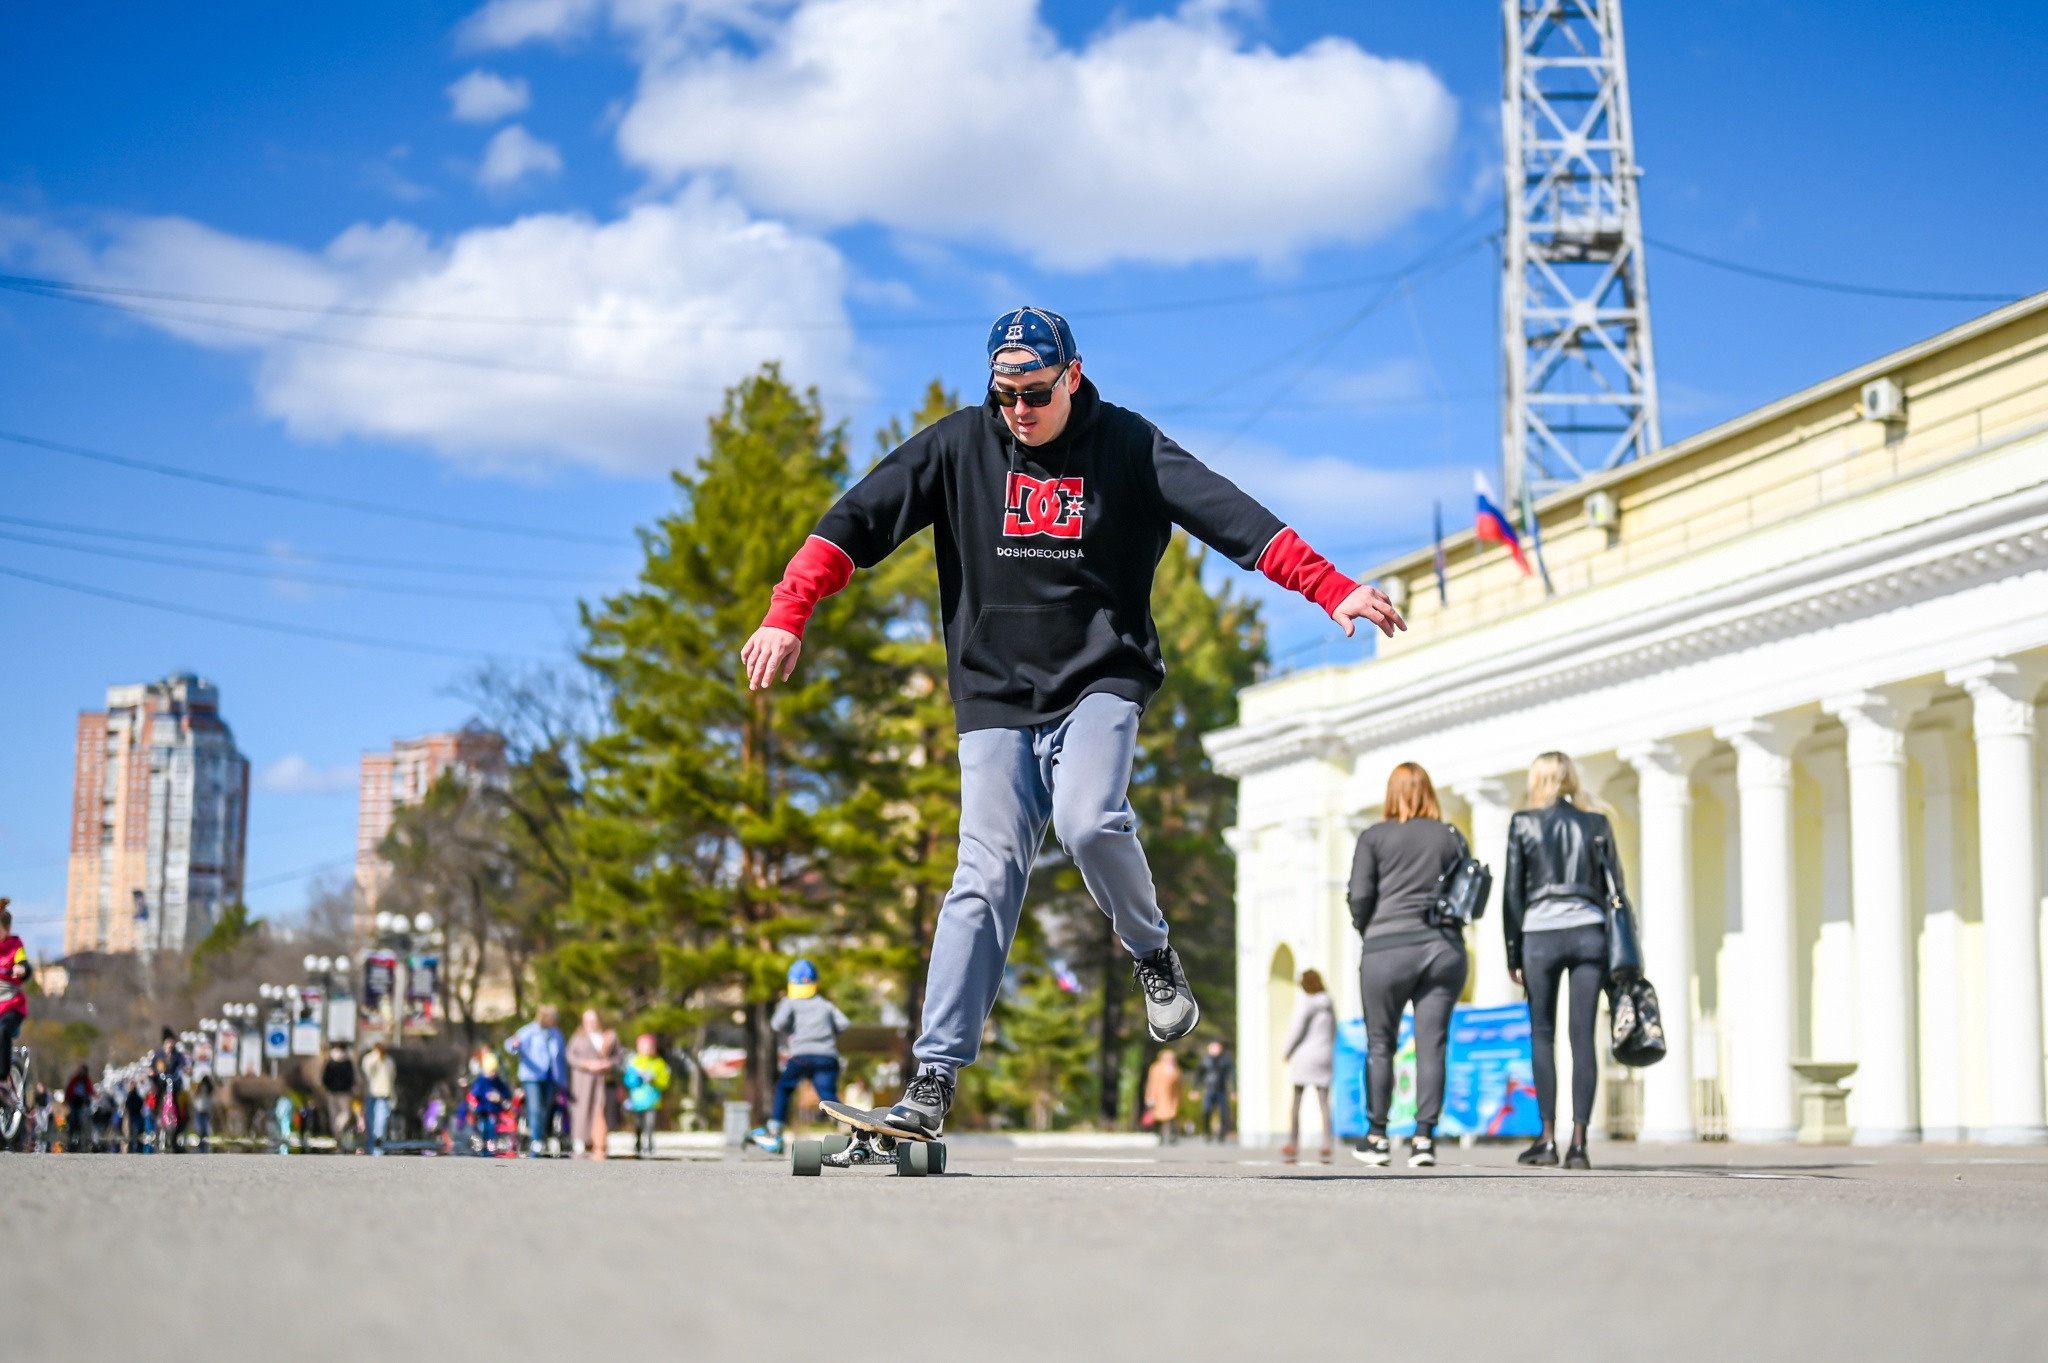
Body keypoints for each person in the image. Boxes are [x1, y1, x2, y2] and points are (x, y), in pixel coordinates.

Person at [742, 308, 1406, 1138]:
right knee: (981, 876)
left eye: (1035, 393)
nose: (1018, 411)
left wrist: (1331, 586)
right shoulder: (956, 446)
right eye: (1004, 394)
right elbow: (852, 521)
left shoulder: (1127, 445)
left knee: (1090, 820)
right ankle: (934, 1075)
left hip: (1099, 677)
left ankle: (1151, 950)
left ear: (1074, 376)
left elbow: (1234, 518)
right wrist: (787, 611)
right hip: (992, 695)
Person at [1504, 751, 1623, 1171]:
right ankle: (1579, 1144)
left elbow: (1513, 894)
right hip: (1590, 934)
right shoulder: (1596, 823)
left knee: (1542, 1035)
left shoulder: (1524, 823)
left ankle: (1547, 1138)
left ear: (1538, 780)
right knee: (1582, 1037)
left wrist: (1512, 952)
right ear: (1571, 778)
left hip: (1540, 937)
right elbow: (1618, 889)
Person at [1348, 761, 1469, 1168]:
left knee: (1381, 1044)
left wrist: (1369, 929)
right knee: (1432, 1044)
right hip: (1443, 949)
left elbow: (1360, 895)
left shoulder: (1373, 836)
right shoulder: (1451, 836)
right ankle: (1423, 1140)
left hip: (1387, 948)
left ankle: (1377, 1137)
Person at [752, 960, 850, 1154]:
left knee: (784, 1087)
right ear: (816, 983)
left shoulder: (790, 1001)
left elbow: (776, 1024)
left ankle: (775, 1128)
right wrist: (828, 1033)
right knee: (826, 1093)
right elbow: (844, 1023)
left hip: (801, 1056)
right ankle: (846, 1124)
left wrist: (792, 1030)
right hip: (826, 1057)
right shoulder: (825, 1004)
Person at [1280, 970, 1336, 1164]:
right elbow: (1334, 1030)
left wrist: (1286, 1051)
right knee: (1324, 1101)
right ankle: (1327, 1143)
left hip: (1305, 1055)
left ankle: (1293, 1142)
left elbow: (1297, 1029)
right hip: (1324, 1054)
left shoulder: (1306, 1003)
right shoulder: (1328, 1003)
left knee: (1297, 1101)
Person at [505, 1005, 567, 1156]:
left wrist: (563, 1081)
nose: (556, 1021)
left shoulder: (556, 1034)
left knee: (546, 1109)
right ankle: (536, 1140)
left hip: (550, 1077)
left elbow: (560, 1059)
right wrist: (514, 1045)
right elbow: (510, 1044)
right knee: (535, 1108)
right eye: (554, 1018)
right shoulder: (529, 1031)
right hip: (532, 1077)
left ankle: (541, 1136)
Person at [566, 1009, 621, 1159]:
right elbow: (571, 1056)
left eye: (593, 1020)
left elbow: (618, 1057)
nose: (590, 1024)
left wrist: (607, 1064)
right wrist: (587, 1064)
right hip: (584, 1081)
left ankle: (600, 1143)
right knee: (583, 1109)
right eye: (587, 1021)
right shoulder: (579, 1037)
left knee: (601, 1109)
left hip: (603, 1081)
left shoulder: (608, 1036)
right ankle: (582, 1140)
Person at [621, 1034, 671, 1158]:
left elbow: (664, 1081)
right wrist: (637, 1078)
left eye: (649, 1047)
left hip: (652, 1100)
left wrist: (653, 1080)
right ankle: (638, 1142)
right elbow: (628, 1081)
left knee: (650, 1123)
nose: (647, 1049)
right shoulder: (634, 1062)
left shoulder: (659, 1063)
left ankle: (649, 1144)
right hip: (637, 1100)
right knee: (638, 1123)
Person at [0, 901, 29, 1107]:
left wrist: (21, 968)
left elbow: (24, 963)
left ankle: (2, 1080)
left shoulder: (15, 946)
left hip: (12, 1006)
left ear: (7, 929)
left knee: (1, 1031)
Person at [467, 1052, 514, 1155]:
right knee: (483, 1125)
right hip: (483, 1109)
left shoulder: (498, 1081)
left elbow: (505, 1092)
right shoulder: (481, 1081)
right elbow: (475, 1093)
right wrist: (478, 1101)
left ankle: (491, 1141)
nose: (492, 1074)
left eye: (494, 1071)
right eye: (490, 1071)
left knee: (493, 1124)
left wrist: (500, 1098)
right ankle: (482, 1140)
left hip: (494, 1109)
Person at [360, 1040, 397, 1156]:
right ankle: (371, 1149)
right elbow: (366, 1070)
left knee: (381, 1124)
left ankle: (378, 1151)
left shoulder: (388, 1061)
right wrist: (376, 1056)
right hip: (372, 1095)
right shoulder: (369, 1059)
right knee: (371, 1124)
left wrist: (393, 1096)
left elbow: (392, 1079)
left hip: (384, 1095)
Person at [320, 1042, 357, 1151]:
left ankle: (336, 1134)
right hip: (345, 1092)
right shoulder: (347, 1062)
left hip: (332, 1092)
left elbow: (324, 1078)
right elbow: (351, 1077)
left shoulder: (330, 1062)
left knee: (334, 1114)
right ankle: (339, 1129)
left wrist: (329, 1087)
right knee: (346, 1113)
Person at [1197, 1041, 1235, 1143]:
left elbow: (1232, 1076)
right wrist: (1195, 1089)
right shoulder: (1205, 1061)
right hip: (1209, 1090)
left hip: (1221, 1090)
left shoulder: (1225, 1060)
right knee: (1207, 1111)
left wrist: (1234, 1090)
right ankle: (1207, 1132)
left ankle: (1222, 1135)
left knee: (1223, 1113)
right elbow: (1199, 1075)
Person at [1144, 1048, 1183, 1145]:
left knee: (1171, 1116)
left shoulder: (1176, 1069)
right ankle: (1159, 1135)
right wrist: (1150, 1097)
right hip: (1158, 1096)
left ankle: (1172, 1136)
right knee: (1158, 1117)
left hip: (1171, 1097)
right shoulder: (1156, 1068)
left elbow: (1178, 1085)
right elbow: (1152, 1083)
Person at [63, 1063, 95, 1153]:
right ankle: (72, 1134)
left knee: (80, 1118)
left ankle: (79, 1135)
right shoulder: (75, 1079)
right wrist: (66, 1099)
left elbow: (90, 1090)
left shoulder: (86, 1080)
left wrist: (93, 1096)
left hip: (81, 1103)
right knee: (73, 1118)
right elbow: (69, 1089)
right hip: (74, 1101)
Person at [190, 1074, 216, 1154]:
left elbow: (194, 1095)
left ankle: (202, 1146)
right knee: (203, 1129)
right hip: (205, 1109)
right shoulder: (209, 1088)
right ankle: (203, 1146)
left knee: (201, 1129)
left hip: (200, 1109)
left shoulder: (203, 1088)